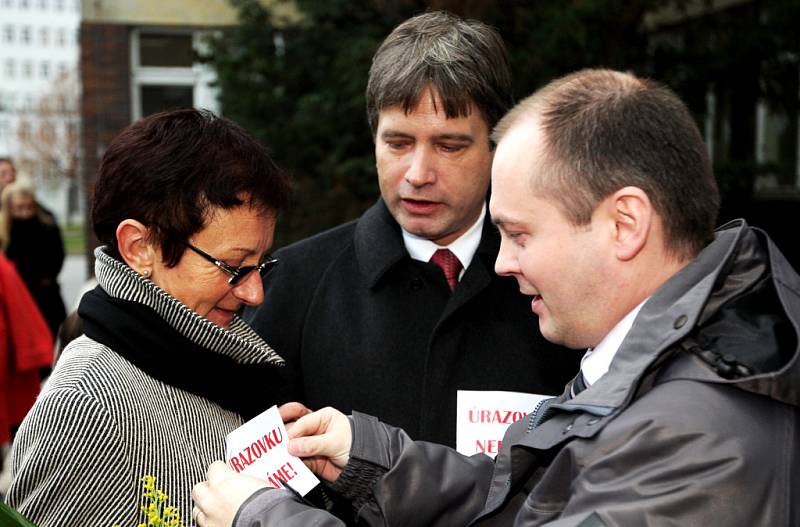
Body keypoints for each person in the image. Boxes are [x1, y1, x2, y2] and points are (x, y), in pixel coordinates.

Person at [193, 69, 800, 526]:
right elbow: (528, 497)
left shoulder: (696, 439)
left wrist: (261, 518)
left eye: (519, 234)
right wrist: (371, 457)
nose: (502, 263)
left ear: (625, 224)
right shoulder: (658, 369)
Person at [245, 10, 580, 449]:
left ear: (498, 147)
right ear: (373, 142)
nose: (418, 173)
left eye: (449, 145)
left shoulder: (559, 285)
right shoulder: (290, 285)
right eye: (398, 143)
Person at [6, 108, 291, 527]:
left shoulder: (209, 359)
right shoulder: (86, 410)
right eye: (233, 266)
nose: (255, 292)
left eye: (260, 264)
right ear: (140, 247)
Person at [0, 182, 67, 338]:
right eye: (19, 208)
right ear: (9, 208)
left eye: (29, 207)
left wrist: (47, 277)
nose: (25, 213)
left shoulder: (46, 224)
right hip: (15, 296)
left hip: (45, 294)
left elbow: (57, 255)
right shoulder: (4, 232)